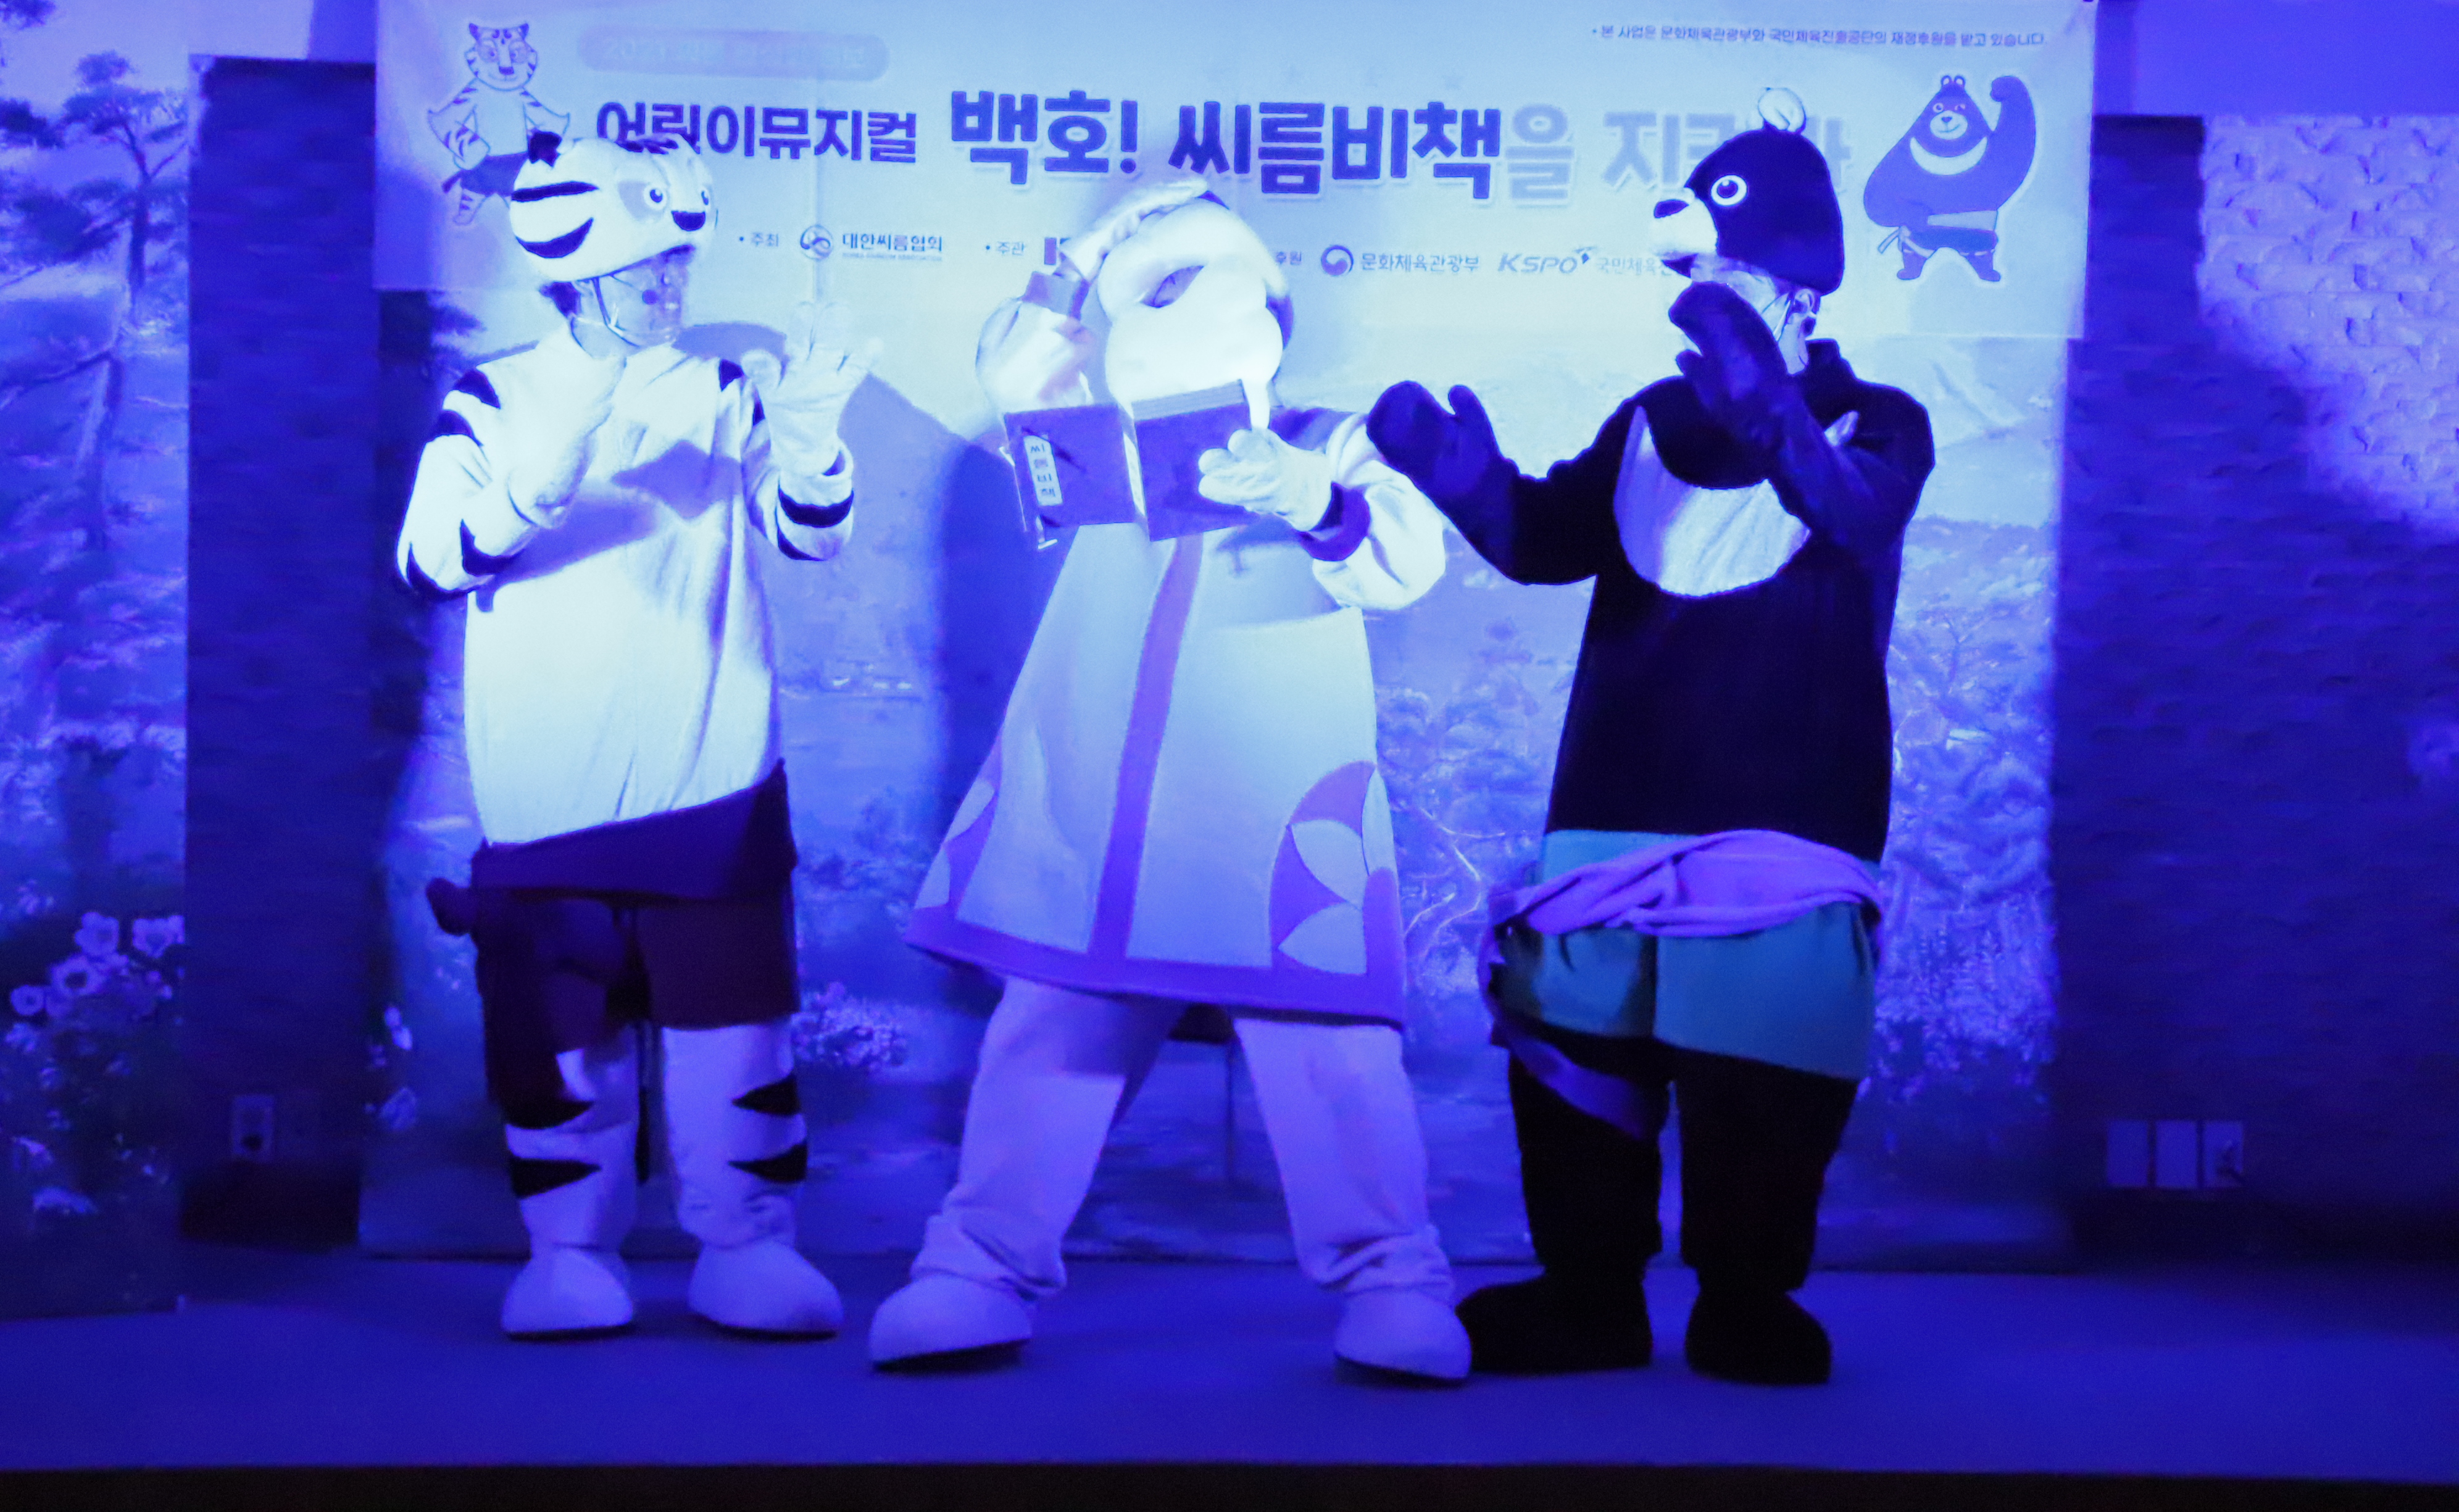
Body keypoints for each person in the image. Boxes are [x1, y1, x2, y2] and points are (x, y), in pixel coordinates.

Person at [1367, 101, 1934, 1385]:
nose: (1700, 306)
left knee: (1762, 1078)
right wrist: (1463, 480)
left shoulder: (1879, 418)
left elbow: (1852, 515)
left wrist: (1772, 411)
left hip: (1786, 816)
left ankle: (1745, 1298)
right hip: (1607, 813)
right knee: (1582, 1061)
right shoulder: (1645, 418)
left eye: (1728, 281)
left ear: (1798, 284)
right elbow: (1547, 542)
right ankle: (1590, 1298)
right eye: (1695, 284)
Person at [871, 173, 1470, 1382]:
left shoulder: (1326, 438)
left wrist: (1319, 501)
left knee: (1329, 1051)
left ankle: (1392, 1277)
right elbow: (1014, 376)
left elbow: (1405, 563)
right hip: (1101, 809)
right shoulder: (1105, 449)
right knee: (1052, 1027)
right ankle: (977, 1264)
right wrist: (1067, 268)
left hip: (1270, 811)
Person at [398, 130, 867, 1340]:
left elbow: (810, 533)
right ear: (576, 271)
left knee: (735, 1033)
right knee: (564, 1041)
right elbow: (432, 558)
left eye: (679, 263)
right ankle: (568, 1251)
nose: (671, 285)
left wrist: (811, 437)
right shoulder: (495, 397)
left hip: (715, 785)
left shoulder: (718, 390)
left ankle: (747, 1244)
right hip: (545, 797)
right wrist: (536, 478)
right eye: (647, 265)